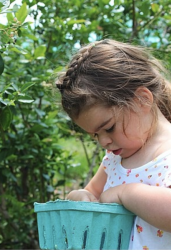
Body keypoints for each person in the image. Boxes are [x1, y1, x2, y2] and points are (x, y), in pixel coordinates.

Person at [56, 39, 171, 249]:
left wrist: (126, 194)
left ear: (142, 100)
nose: (103, 142)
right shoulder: (115, 159)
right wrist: (79, 197)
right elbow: (91, 195)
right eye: (95, 135)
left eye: (108, 128)